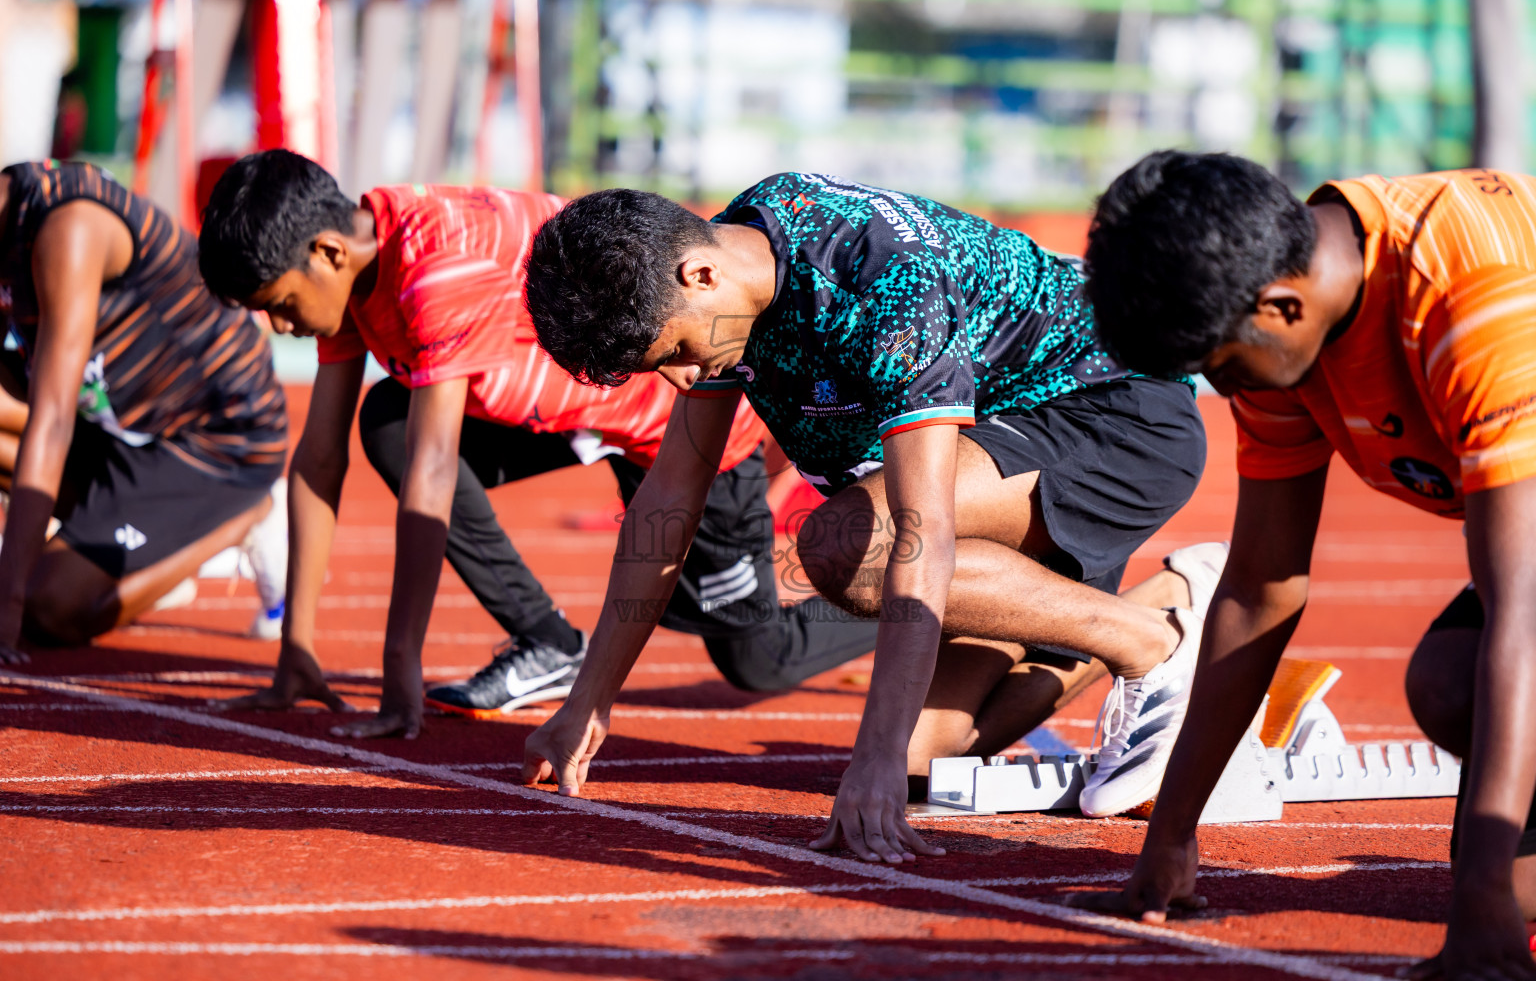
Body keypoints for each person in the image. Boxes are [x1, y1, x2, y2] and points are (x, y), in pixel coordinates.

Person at [515, 172, 1222, 863]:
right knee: (924, 764)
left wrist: (869, 758)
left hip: (1118, 418)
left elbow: (923, 530)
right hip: (1006, 451)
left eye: (675, 351)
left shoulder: (886, 283)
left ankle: (1149, 644)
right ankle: (1172, 601)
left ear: (700, 275)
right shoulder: (722, 272)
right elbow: (667, 501)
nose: (683, 379)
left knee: (847, 550)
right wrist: (589, 703)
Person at [196, 150, 881, 739]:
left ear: (327, 253)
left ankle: (921, 605)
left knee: (756, 658)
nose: (280, 328)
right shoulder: (350, 269)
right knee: (389, 419)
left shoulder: (436, 267)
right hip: (586, 416)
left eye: (280, 306)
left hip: (687, 411)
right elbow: (319, 459)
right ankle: (546, 640)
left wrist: (399, 663)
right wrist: (297, 645)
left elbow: (434, 472)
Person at [1079, 151, 1536, 980]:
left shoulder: (1476, 301)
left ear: (1281, 307)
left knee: (1496, 883)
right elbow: (1259, 589)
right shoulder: (1286, 316)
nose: (1223, 390)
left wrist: (1479, 901)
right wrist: (1172, 840)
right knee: (1452, 684)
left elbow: (1527, 615)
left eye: (1219, 369)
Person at [0, 159, 289, 663]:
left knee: (45, 607)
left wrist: (7, 600)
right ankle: (143, 560)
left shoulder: (69, 223)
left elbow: (52, 420)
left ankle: (249, 516)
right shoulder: (9, 217)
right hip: (130, 427)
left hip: (219, 442)